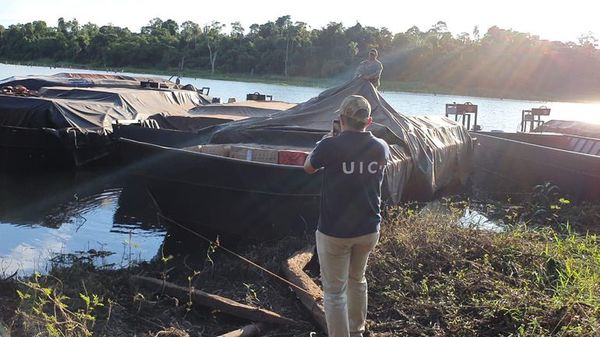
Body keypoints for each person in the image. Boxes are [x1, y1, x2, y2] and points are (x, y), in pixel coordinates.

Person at [304, 95, 390, 337]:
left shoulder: (329, 145)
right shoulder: (381, 146)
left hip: (335, 231)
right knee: (357, 279)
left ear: (341, 119)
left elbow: (308, 168)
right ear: (369, 121)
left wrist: (323, 143)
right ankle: (357, 330)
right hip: (369, 228)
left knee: (333, 292)